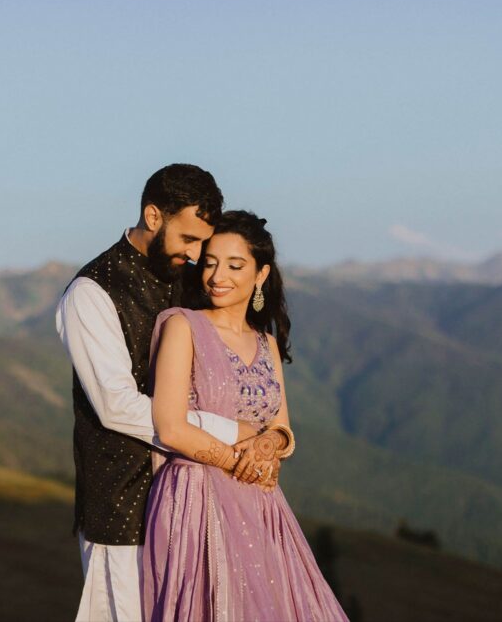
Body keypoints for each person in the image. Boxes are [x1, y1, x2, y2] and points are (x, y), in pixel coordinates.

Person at [55, 165, 274, 622]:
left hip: (197, 505)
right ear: (153, 216)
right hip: (124, 508)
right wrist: (231, 432)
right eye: (189, 240)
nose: (197, 256)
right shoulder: (91, 292)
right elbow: (117, 407)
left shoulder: (187, 280)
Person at [142, 210, 348, 621]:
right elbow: (169, 426)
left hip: (259, 503)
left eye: (235, 266)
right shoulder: (184, 327)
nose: (218, 276)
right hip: (195, 497)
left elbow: (281, 426)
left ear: (260, 274)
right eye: (211, 262)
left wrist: (271, 443)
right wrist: (240, 461)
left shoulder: (266, 343)